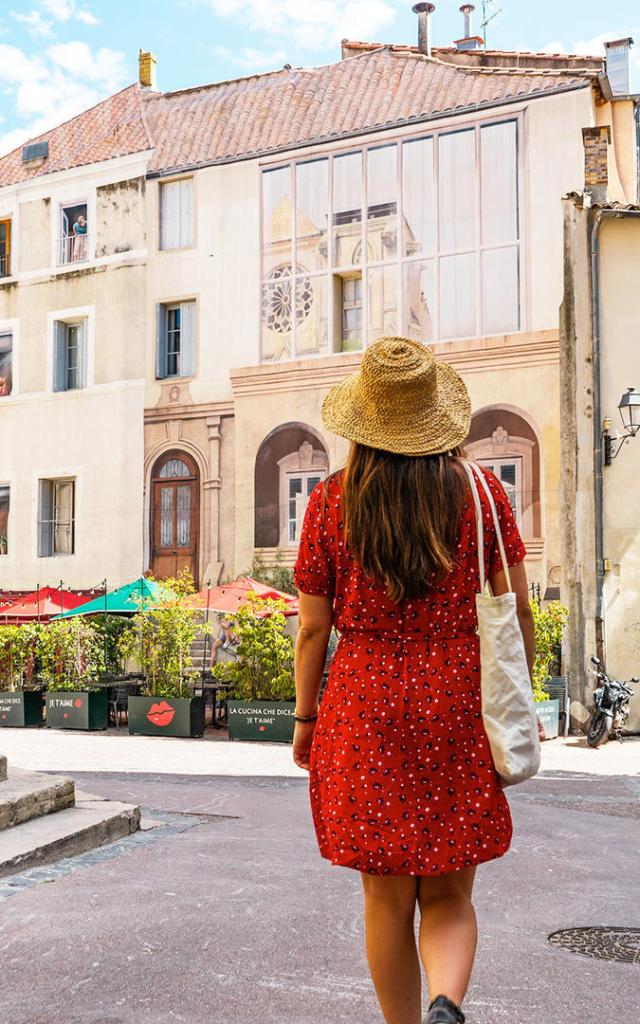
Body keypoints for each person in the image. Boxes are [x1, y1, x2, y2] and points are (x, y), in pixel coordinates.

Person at [292, 337, 535, 1024]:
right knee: (452, 895)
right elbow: (516, 607)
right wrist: (519, 690)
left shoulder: (329, 503)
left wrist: (306, 718)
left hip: (363, 703)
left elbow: (313, 629)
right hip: (459, 697)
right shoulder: (484, 492)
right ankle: (443, 1004)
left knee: (386, 900)